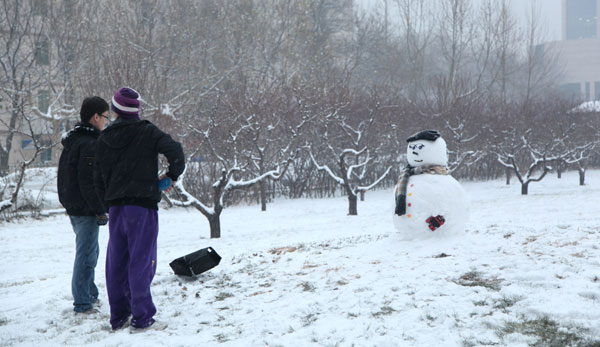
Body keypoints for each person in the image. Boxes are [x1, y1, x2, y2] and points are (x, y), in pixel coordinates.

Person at [94, 87, 184, 332]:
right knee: (141, 262)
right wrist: (170, 177)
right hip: (142, 207)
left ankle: (119, 317)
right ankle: (142, 319)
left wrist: (108, 200)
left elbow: (97, 177)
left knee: (117, 262)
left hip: (116, 208)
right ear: (136, 111)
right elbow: (176, 152)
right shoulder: (147, 132)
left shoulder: (104, 138)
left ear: (114, 110)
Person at [57, 96, 110, 314]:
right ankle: (82, 303)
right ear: (96, 117)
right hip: (85, 208)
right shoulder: (89, 144)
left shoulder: (74, 140)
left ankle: (90, 293)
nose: (107, 121)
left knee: (90, 252)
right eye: (106, 117)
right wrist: (99, 209)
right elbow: (89, 182)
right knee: (87, 255)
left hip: (75, 205)